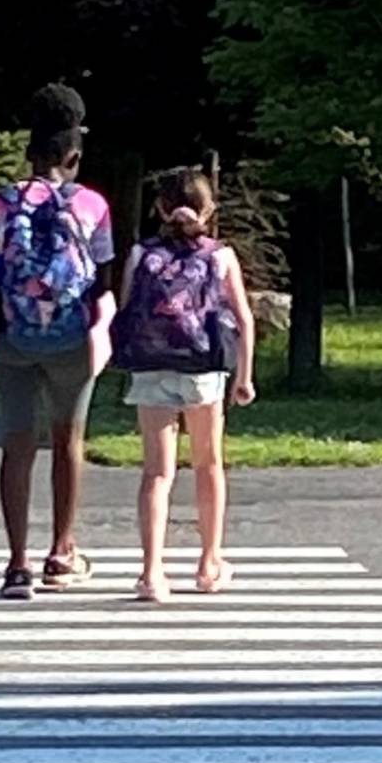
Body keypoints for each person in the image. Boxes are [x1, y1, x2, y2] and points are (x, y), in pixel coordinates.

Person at [0, 84, 118, 600]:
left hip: (12, 339)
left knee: (16, 446)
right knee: (68, 442)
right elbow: (102, 281)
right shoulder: (93, 205)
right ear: (73, 154)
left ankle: (15, 564)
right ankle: (62, 551)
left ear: (28, 151)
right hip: (71, 341)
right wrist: (101, 334)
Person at [112, 167, 258, 602]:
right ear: (209, 209)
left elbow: (125, 310)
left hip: (152, 367)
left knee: (157, 472)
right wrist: (244, 376)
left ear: (159, 208)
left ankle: (152, 572)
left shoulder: (141, 255)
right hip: (203, 370)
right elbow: (244, 319)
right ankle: (209, 563)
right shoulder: (221, 256)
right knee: (208, 466)